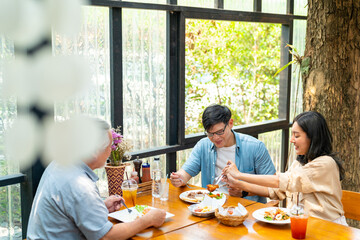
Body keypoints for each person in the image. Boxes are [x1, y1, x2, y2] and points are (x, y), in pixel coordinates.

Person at [27, 119, 166, 240]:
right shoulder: (80, 185)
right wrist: (148, 220)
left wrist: (101, 207)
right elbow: (107, 237)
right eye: (109, 147)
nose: (111, 151)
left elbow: (71, 210)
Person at [222, 111, 347, 225]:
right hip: (302, 226)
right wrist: (241, 187)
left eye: (296, 136)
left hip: (329, 228)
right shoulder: (299, 163)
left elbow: (283, 181)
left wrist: (239, 175)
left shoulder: (326, 164)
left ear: (313, 138)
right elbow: (276, 190)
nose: (292, 140)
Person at [170, 104, 276, 203]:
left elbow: (274, 186)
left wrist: (244, 191)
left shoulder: (255, 147)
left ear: (230, 123)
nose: (215, 138)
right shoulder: (203, 146)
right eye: (210, 134)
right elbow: (185, 173)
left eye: (220, 132)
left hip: (247, 209)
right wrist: (179, 178)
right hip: (211, 207)